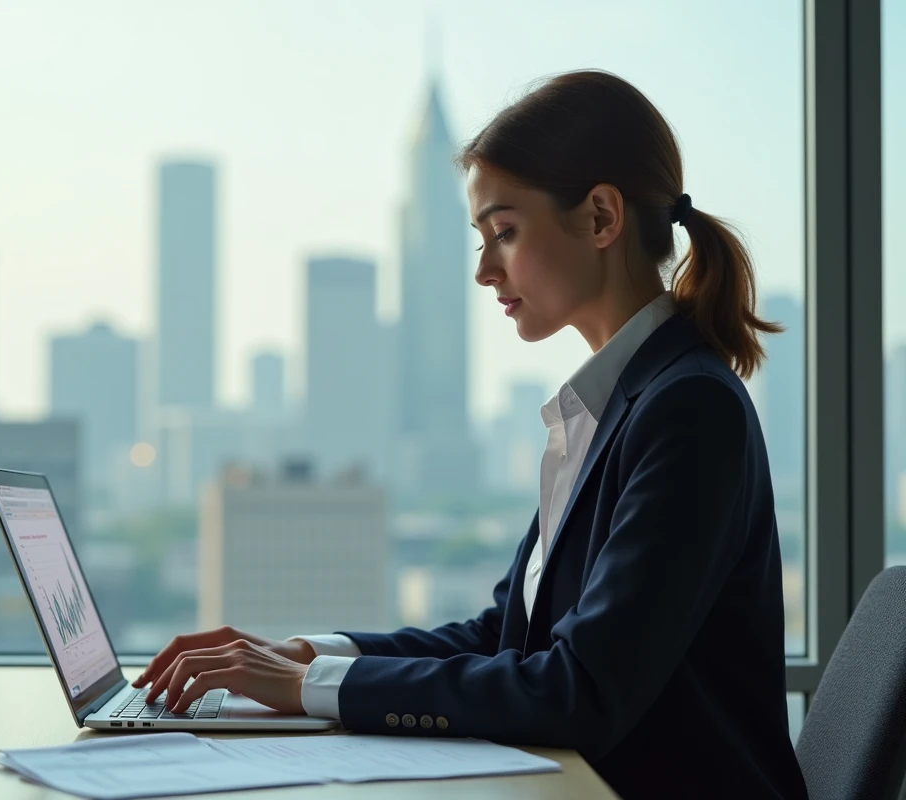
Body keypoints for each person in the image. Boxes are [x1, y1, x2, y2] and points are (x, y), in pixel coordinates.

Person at [133, 70, 809, 799]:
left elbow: (579, 690)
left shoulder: (687, 410)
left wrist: (312, 686)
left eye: (505, 232)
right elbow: (506, 637)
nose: (486, 270)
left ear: (601, 217)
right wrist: (306, 655)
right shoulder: (614, 405)